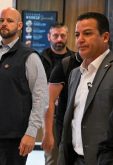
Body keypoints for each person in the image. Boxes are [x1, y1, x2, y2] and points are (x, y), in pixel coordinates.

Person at [0, 7, 48, 165]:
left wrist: (31, 132)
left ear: (20, 26)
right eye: (1, 20)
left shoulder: (29, 57)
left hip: (14, 136)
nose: (4, 24)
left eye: (10, 21)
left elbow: (41, 97)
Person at [58, 12, 113, 165]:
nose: (80, 40)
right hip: (74, 159)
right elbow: (69, 121)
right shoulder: (75, 74)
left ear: (105, 37)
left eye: (87, 34)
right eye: (77, 35)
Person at [40, 22, 75, 165]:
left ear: (67, 36)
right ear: (49, 37)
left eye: (62, 35)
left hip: (72, 115)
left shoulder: (76, 60)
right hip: (51, 116)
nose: (59, 39)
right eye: (55, 35)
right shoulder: (40, 60)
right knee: (52, 159)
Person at [47, 52, 83, 147]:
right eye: (78, 36)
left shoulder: (107, 66)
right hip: (67, 130)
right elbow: (49, 100)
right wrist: (48, 133)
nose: (81, 39)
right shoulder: (66, 64)